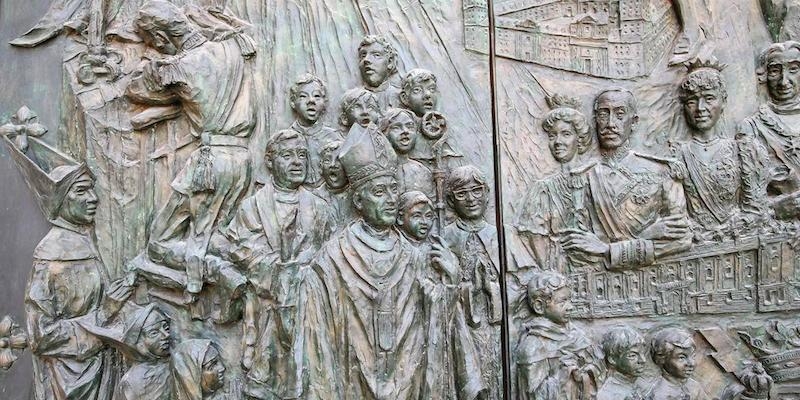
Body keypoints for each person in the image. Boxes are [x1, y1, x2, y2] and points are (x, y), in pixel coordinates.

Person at [300, 122, 462, 399]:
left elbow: (435, 323)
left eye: (392, 190)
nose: (390, 200)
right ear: (359, 202)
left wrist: (451, 282)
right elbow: (316, 346)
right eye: (379, 192)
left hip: (408, 384)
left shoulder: (413, 256)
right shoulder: (331, 261)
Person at [127, 0, 257, 297]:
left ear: (161, 38)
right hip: (241, 160)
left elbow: (135, 90)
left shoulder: (181, 66)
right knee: (213, 234)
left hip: (210, 165)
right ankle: (243, 264)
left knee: (159, 244)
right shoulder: (233, 47)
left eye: (154, 44)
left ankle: (220, 273)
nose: (155, 49)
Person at [3, 133, 133, 400]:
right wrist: (103, 317)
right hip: (66, 381)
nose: (94, 198)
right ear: (61, 201)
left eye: (92, 189)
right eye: (82, 191)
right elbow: (41, 334)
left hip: (101, 371)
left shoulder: (86, 244)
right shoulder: (52, 256)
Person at [206, 130, 334, 399]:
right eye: (287, 155)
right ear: (270, 161)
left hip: (311, 312)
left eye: (302, 155)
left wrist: (306, 271)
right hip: (267, 309)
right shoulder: (251, 207)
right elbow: (241, 249)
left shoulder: (321, 209)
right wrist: (279, 270)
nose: (297, 161)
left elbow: (330, 254)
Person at [562, 89, 692, 270]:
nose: (610, 124)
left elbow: (683, 240)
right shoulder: (583, 177)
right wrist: (648, 236)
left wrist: (608, 250)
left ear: (634, 122)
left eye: (620, 114)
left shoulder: (663, 171)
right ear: (595, 121)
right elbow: (575, 248)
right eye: (603, 114)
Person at [396, 190, 486, 399]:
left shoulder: (436, 248)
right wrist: (449, 283)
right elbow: (418, 292)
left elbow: (450, 293)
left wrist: (456, 278)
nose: (425, 222)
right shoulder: (398, 250)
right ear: (400, 218)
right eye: (417, 216)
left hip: (440, 333)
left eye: (429, 216)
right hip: (410, 336)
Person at [671, 57, 771, 240]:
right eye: (692, 101)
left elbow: (757, 211)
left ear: (723, 101)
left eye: (709, 98)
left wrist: (726, 231)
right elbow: (674, 215)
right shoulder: (676, 155)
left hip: (740, 245)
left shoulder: (745, 151)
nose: (700, 108)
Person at [442, 165, 503, 400]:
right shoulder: (445, 237)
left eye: (476, 191)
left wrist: (493, 290)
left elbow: (518, 287)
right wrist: (465, 288)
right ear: (450, 200)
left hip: (495, 327)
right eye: (462, 193)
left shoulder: (499, 235)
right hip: (460, 327)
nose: (471, 199)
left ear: (487, 193)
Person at [516, 95, 594, 273]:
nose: (558, 141)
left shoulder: (596, 181)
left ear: (580, 139)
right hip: (556, 272)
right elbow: (533, 238)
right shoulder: (543, 189)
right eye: (552, 136)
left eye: (566, 134)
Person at [738, 41, 800, 221]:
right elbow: (748, 200)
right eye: (775, 71)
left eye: (794, 69)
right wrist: (777, 208)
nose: (784, 81)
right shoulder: (752, 127)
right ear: (764, 75)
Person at [515, 270, 601, 400]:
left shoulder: (577, 335)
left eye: (570, 300)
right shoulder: (533, 346)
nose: (570, 306)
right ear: (539, 306)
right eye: (562, 302)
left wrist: (584, 373)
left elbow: (598, 369)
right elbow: (533, 395)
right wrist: (562, 376)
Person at [288, 73, 344, 188]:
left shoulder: (335, 138)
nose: (311, 101)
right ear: (293, 102)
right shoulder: (287, 140)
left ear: (324, 102)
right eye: (303, 96)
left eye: (317, 96)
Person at [380, 108, 435, 198]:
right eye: (397, 127)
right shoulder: (378, 173)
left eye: (410, 127)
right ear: (384, 133)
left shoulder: (423, 172)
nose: (405, 131)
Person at [644, 328, 710, 400]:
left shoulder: (695, 387)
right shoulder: (659, 395)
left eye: (693, 356)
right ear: (661, 359)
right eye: (681, 358)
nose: (691, 363)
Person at [597, 326, 649, 400]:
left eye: (643, 353)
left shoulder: (639, 386)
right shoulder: (610, 395)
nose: (643, 360)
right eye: (632, 355)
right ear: (612, 359)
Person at [315, 140, 355, 228]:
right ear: (320, 168)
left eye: (339, 160)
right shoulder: (314, 198)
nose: (333, 165)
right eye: (327, 161)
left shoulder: (358, 197)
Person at [359, 34, 403, 109]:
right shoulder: (353, 99)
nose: (366, 60)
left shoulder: (402, 99)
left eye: (376, 55)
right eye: (363, 55)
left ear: (390, 62)